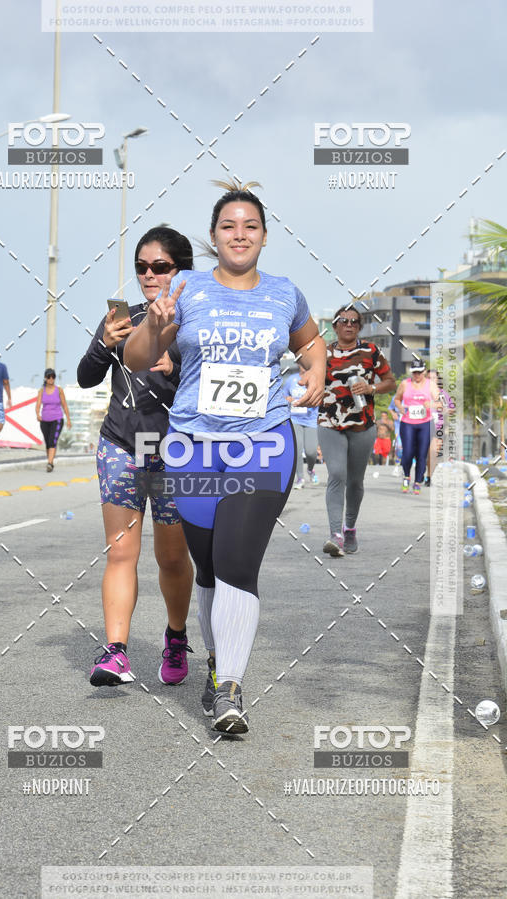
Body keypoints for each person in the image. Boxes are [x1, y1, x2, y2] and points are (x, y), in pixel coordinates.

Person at [124, 180, 326, 734]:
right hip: (192, 446)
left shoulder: (285, 293)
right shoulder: (185, 287)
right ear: (214, 237)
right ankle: (218, 662)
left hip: (264, 442)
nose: (240, 234)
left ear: (265, 236)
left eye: (250, 226)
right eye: (229, 226)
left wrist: (317, 371)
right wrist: (155, 326)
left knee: (238, 560)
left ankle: (231, 688)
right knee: (210, 568)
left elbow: (311, 343)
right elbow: (138, 357)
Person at [77, 226, 194, 690]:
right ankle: (116, 651)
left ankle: (176, 638)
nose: (148, 275)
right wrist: (104, 344)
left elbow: (212, 387)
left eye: (159, 267)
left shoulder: (195, 319)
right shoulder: (123, 317)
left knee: (172, 558)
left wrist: (176, 368)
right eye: (141, 267)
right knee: (121, 550)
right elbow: (86, 377)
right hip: (121, 444)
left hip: (174, 451)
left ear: (181, 270)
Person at [317, 306, 396, 557]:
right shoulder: (323, 352)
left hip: (363, 424)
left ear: (359, 327)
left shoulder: (371, 351)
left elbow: (390, 383)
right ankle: (335, 535)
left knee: (354, 481)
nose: (349, 325)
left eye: (354, 321)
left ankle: (349, 527)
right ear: (335, 325)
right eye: (344, 321)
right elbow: (310, 377)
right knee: (337, 474)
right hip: (329, 422)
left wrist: (371, 388)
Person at [394, 361, 439, 494]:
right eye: (414, 372)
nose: (417, 375)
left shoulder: (431, 385)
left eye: (419, 372)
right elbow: (397, 399)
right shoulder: (405, 384)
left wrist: (431, 404)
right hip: (408, 422)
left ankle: (418, 481)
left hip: (425, 423)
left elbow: (440, 403)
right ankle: (406, 476)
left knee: (421, 454)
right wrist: (400, 408)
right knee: (407, 453)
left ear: (424, 371)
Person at [284, 370, 319, 487]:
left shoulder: (316, 377)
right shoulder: (291, 379)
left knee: (311, 452)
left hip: (311, 420)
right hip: (295, 419)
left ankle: (310, 469)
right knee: (297, 450)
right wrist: (288, 399)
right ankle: (300, 478)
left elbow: (321, 396)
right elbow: (283, 395)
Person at [35, 369, 71, 471]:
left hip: (57, 419)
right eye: (49, 377)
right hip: (44, 420)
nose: (51, 379)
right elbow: (38, 405)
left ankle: (50, 463)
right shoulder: (41, 391)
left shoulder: (59, 390)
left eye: (53, 377)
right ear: (45, 378)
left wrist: (68, 419)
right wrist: (37, 414)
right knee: (47, 442)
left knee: (52, 441)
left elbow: (64, 405)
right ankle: (49, 461)